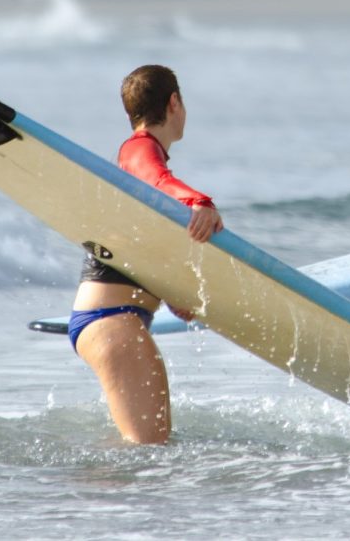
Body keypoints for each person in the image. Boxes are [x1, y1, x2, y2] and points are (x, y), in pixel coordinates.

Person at [68, 64, 223, 444]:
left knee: (141, 450)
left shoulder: (138, 160)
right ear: (174, 103)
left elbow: (130, 245)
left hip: (113, 319)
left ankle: (84, 501)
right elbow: (158, 180)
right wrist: (199, 202)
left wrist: (169, 292)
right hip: (112, 320)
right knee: (148, 453)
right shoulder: (139, 150)